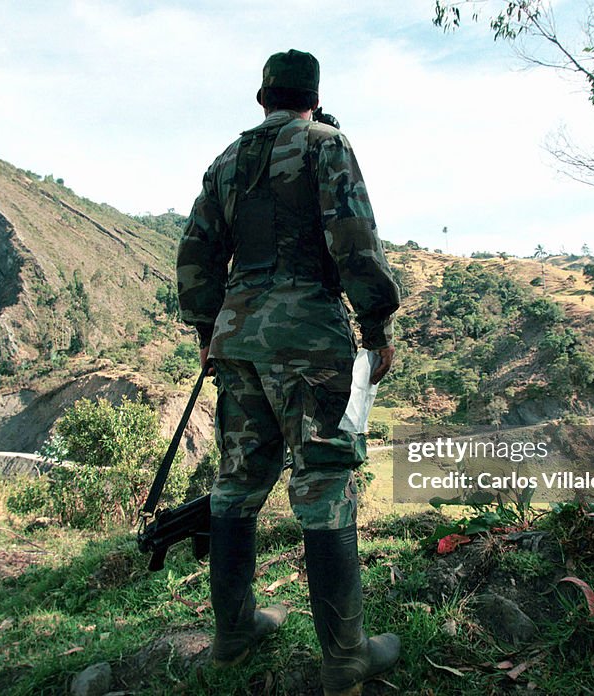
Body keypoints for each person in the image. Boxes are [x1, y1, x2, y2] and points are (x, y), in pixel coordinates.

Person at [176, 48, 401, 696]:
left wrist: (207, 333)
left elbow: (195, 257)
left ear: (262, 98)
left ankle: (235, 630)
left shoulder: (225, 162)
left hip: (237, 343)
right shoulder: (327, 144)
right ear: (314, 95)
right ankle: (346, 659)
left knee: (237, 483)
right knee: (326, 486)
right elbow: (354, 241)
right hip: (310, 339)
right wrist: (376, 328)